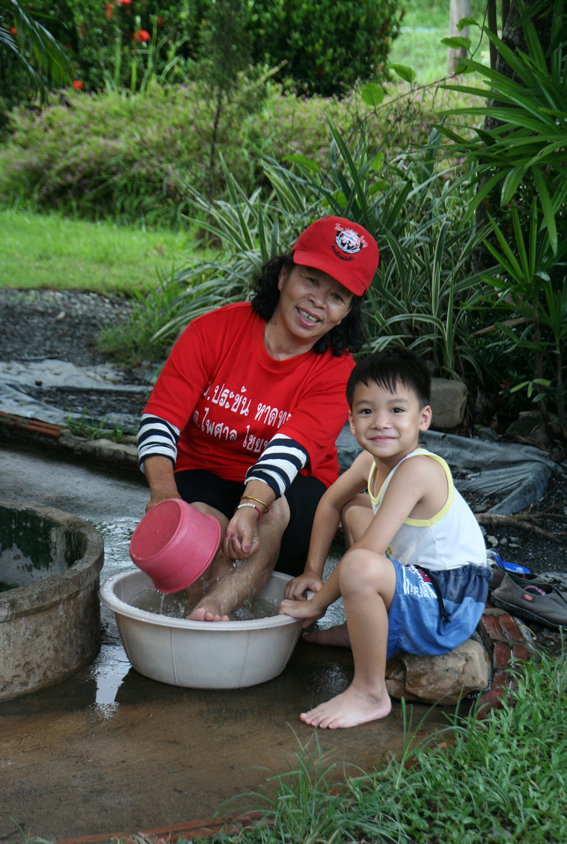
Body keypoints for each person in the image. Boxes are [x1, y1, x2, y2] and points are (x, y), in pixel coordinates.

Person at [137, 216, 379, 622]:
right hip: (206, 473)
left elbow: (289, 450)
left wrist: (250, 507)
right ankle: (212, 617)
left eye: (337, 296)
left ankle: (213, 609)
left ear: (347, 312)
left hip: (293, 493)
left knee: (274, 511)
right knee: (199, 529)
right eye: (311, 280)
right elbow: (161, 420)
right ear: (283, 276)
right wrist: (164, 494)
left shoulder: (340, 373)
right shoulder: (212, 331)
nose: (318, 301)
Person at [280, 348, 490, 729]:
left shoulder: (418, 470)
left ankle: (369, 692)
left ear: (423, 417)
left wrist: (318, 604)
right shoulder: (369, 462)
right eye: (366, 411)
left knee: (360, 565)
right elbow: (328, 503)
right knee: (354, 508)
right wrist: (312, 571)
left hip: (450, 601)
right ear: (352, 421)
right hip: (419, 577)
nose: (380, 423)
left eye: (396, 410)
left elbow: (366, 554)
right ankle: (361, 630)